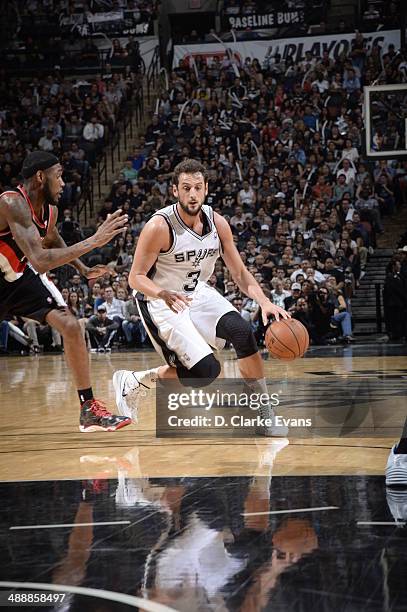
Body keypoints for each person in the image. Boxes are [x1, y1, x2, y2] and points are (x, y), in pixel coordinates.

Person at [112, 159, 290, 436]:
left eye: (197, 187)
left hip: (196, 293)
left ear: (206, 189)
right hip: (159, 301)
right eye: (186, 188)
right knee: (206, 372)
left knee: (242, 332)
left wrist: (264, 302)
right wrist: (162, 293)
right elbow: (135, 278)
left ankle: (263, 411)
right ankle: (136, 381)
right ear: (175, 191)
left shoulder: (217, 223)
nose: (192, 194)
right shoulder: (159, 226)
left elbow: (240, 273)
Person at [0, 151, 131, 432]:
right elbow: (40, 259)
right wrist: (94, 241)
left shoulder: (51, 210)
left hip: (19, 279)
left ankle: (88, 409)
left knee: (71, 326)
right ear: (39, 177)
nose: (63, 183)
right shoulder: (12, 202)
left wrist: (82, 269)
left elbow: (51, 237)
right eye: (58, 176)